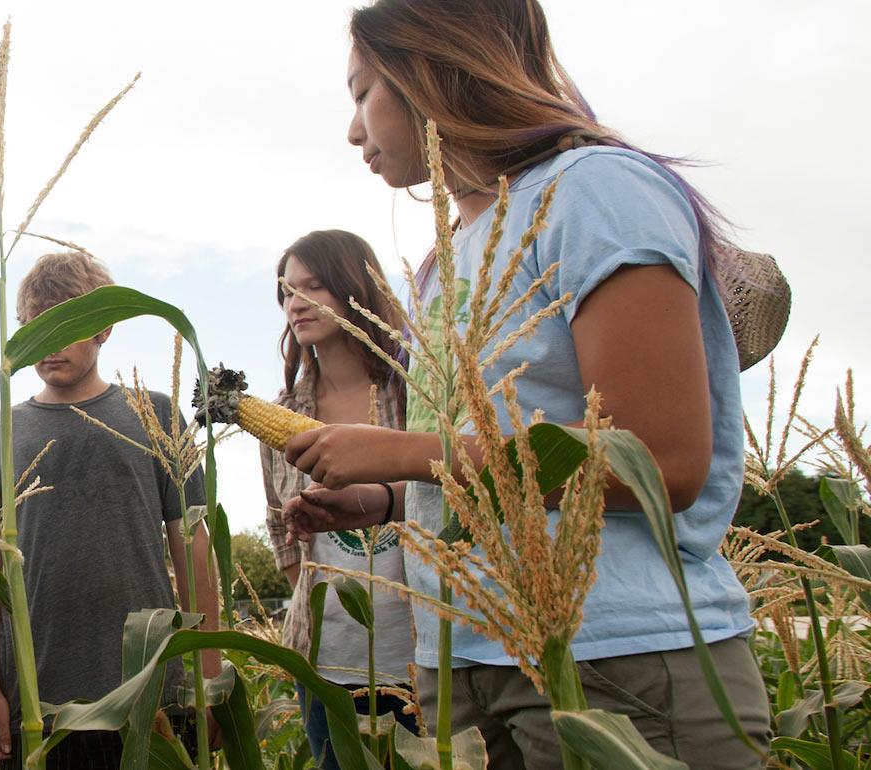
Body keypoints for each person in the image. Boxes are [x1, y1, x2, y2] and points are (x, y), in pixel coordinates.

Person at [284, 0, 770, 766]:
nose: (353, 130)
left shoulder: (596, 192)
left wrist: (407, 454)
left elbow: (660, 461)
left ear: (430, 71)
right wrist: (384, 498)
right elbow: (486, 457)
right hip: (469, 664)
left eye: (360, 92)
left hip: (610, 660)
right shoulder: (444, 263)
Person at [0, 251, 215, 768]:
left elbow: (192, 546)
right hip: (36, 702)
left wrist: (209, 675)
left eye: (68, 323)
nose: (50, 343)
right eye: (36, 327)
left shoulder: (155, 414)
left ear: (106, 328)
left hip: (150, 692)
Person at [261, 230, 417, 768]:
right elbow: (282, 536)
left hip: (420, 655)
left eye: (314, 286)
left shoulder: (413, 391)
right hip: (324, 665)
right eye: (286, 291)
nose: (295, 303)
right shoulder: (283, 411)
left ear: (356, 290)